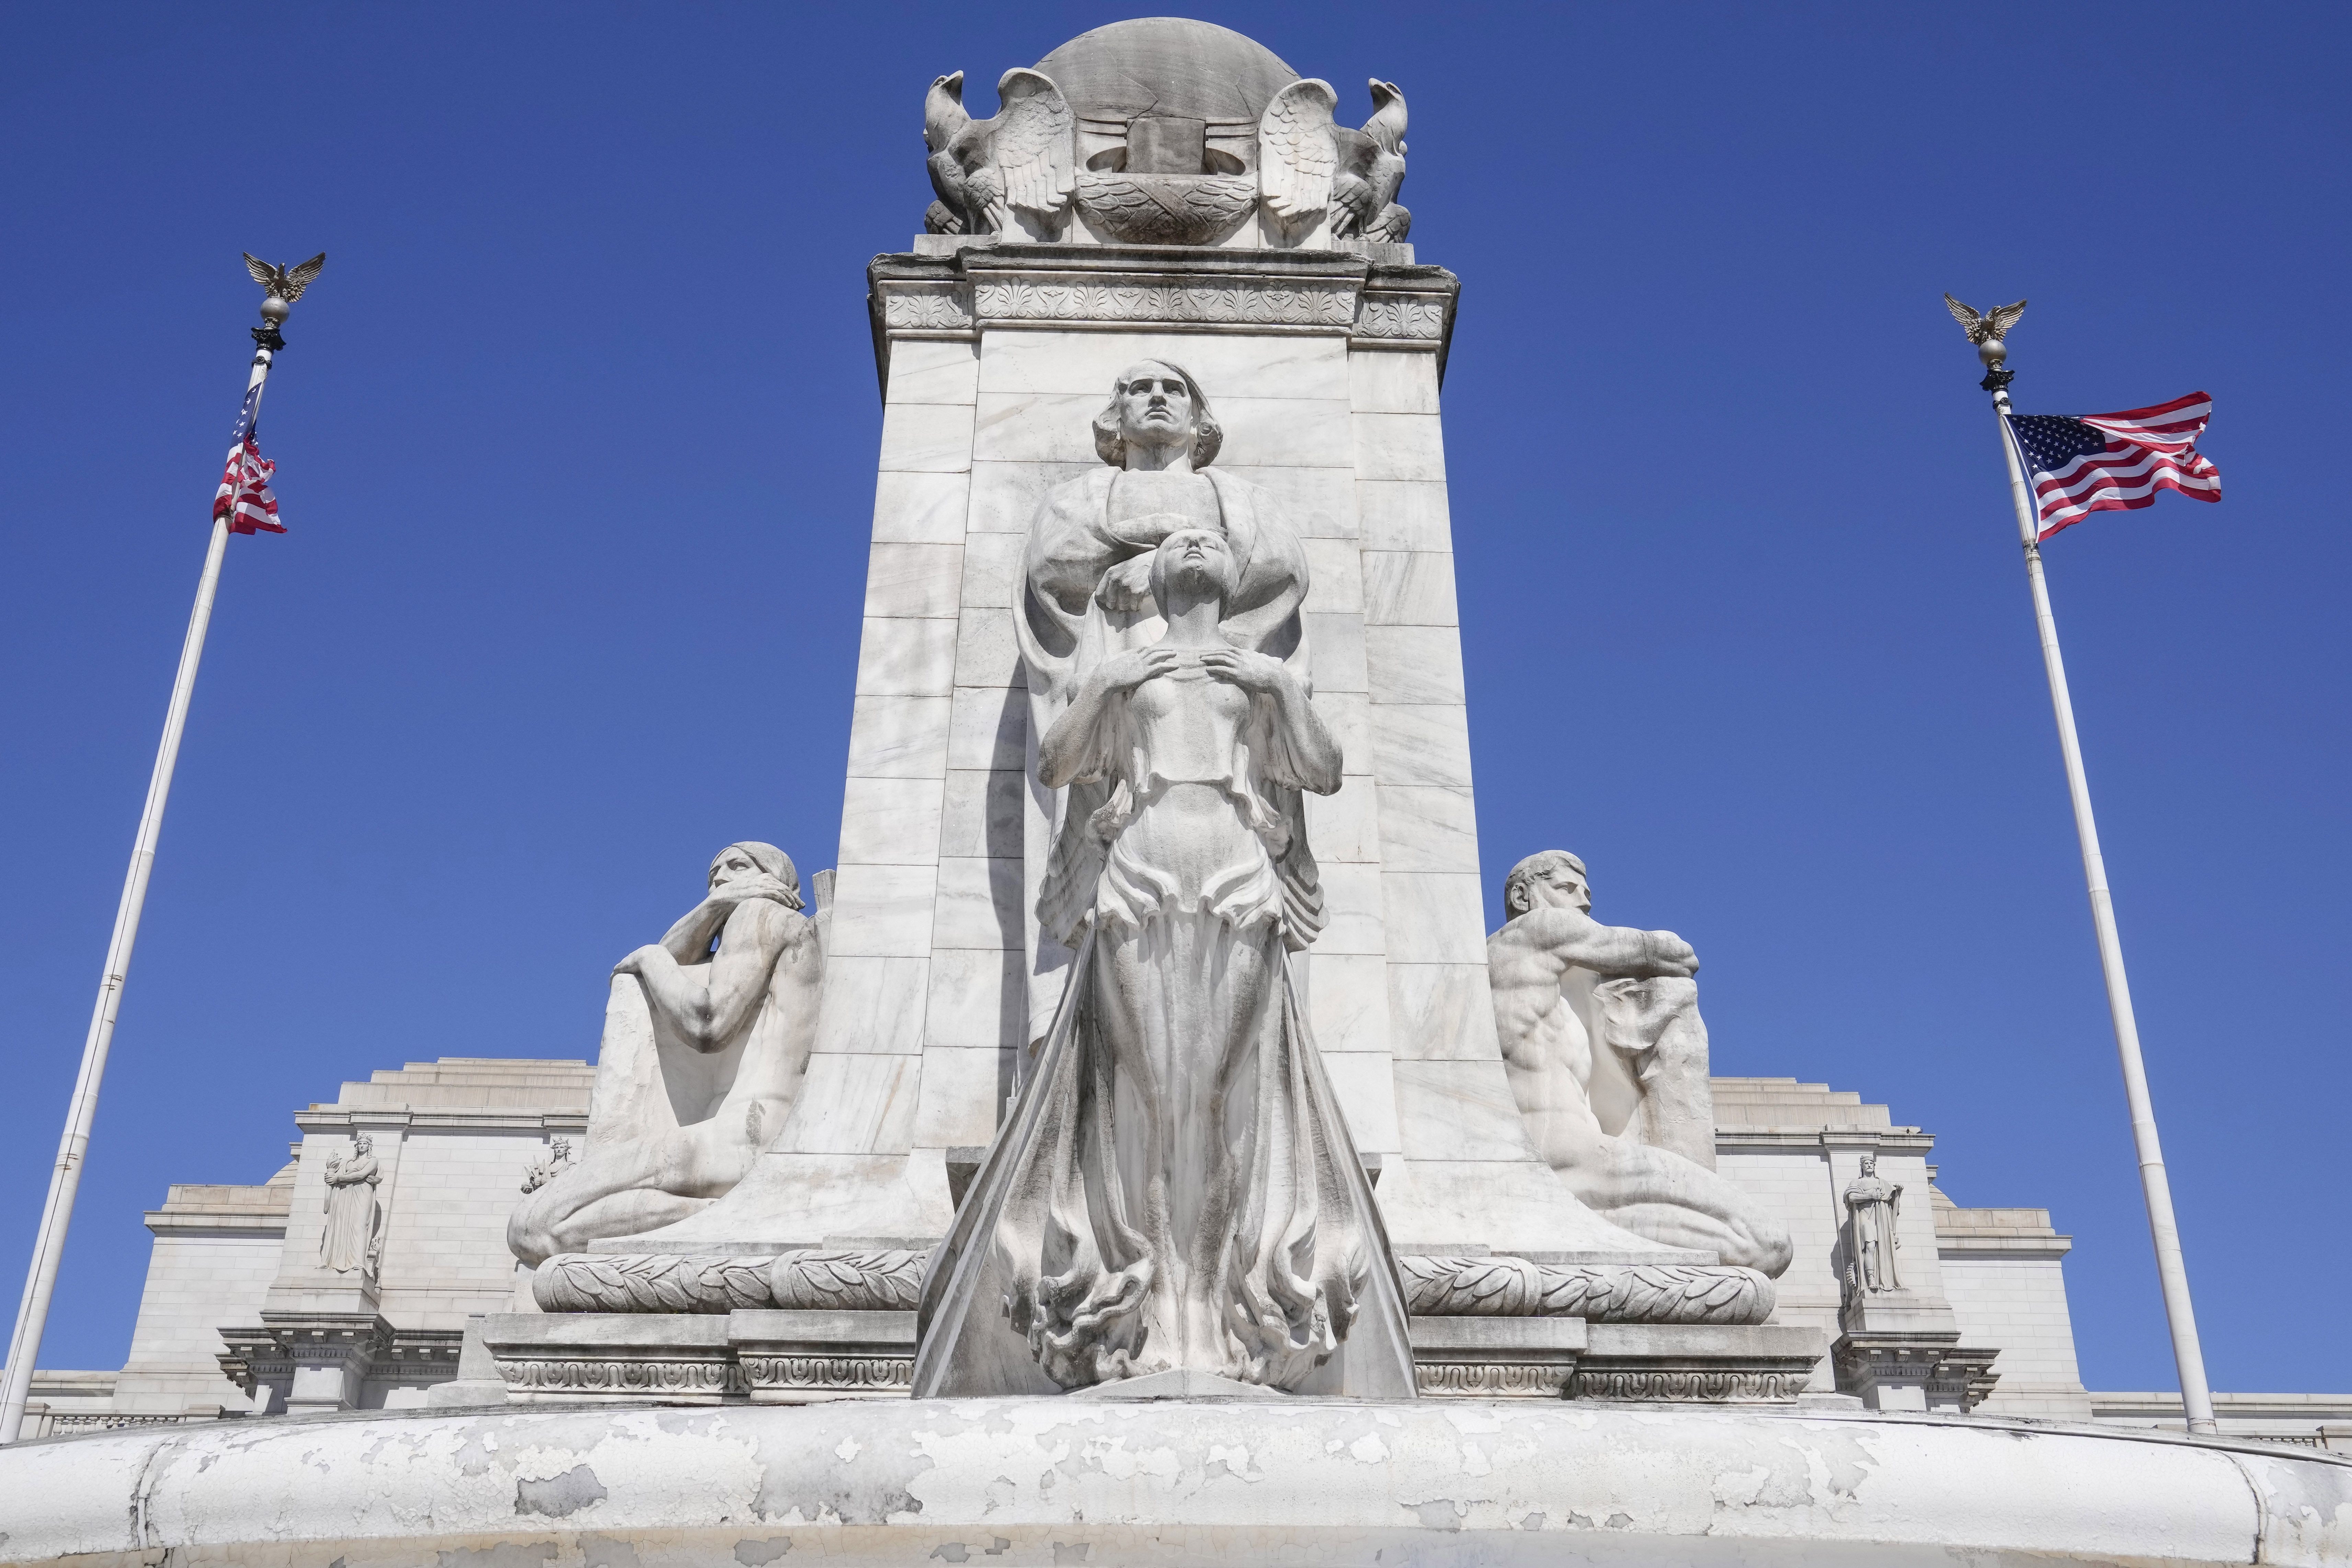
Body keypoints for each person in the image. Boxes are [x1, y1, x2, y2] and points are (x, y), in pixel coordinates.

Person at [916, 528, 1412, 1397]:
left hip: (1233, 869)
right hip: (1140, 867)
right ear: (1151, 576)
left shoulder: (1262, 674)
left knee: (1219, 1097)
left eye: (1208, 542)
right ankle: (1149, 1301)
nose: (1193, 543)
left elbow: (1325, 771)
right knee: (1145, 1094)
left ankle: (1201, 1314)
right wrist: (1100, 683)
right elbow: (1058, 761)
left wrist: (1277, 691)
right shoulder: (1127, 673)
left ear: (1230, 576)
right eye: (1178, 540)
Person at [507, 843, 823, 1266]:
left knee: (532, 1225)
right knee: (541, 1230)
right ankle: (733, 1216)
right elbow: (684, 956)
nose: (719, 878)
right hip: (741, 1139)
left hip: (743, 1138)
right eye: (713, 874)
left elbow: (706, 1022)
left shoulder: (760, 916)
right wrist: (712, 909)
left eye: (737, 866)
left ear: (773, 880)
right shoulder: (779, 934)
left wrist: (648, 956)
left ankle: (746, 1214)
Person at [1487, 850, 1793, 1275]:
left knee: (1750, 1250)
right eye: (1567, 888)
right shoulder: (1535, 930)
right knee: (1766, 1242)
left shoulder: (1537, 980)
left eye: (1587, 893)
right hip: (1568, 1155)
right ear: (1523, 896)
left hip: (1566, 1160)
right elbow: (1675, 953)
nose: (1583, 902)